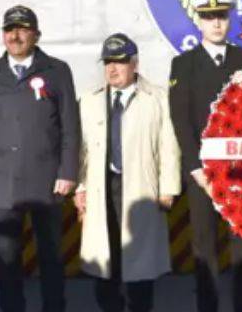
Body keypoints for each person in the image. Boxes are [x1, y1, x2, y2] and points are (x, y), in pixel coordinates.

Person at [0, 5, 79, 312]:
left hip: (48, 181)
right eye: (9, 30)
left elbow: (71, 126)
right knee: (6, 259)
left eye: (22, 29)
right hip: (2, 181)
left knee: (51, 257)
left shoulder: (57, 71)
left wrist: (68, 171)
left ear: (36, 34)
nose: (15, 36)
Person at [168, 0, 242, 312]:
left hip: (241, 171)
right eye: (209, 18)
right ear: (199, 21)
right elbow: (181, 120)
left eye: (221, 17)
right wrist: (197, 170)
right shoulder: (184, 64)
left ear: (229, 18)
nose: (216, 24)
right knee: (204, 247)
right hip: (203, 173)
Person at [76, 33, 181, 312]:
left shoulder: (157, 98)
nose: (112, 69)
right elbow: (82, 149)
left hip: (141, 187)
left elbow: (168, 145)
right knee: (104, 258)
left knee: (140, 264)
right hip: (102, 186)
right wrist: (81, 188)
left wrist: (168, 187)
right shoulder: (90, 101)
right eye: (108, 62)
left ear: (135, 63)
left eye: (120, 62)